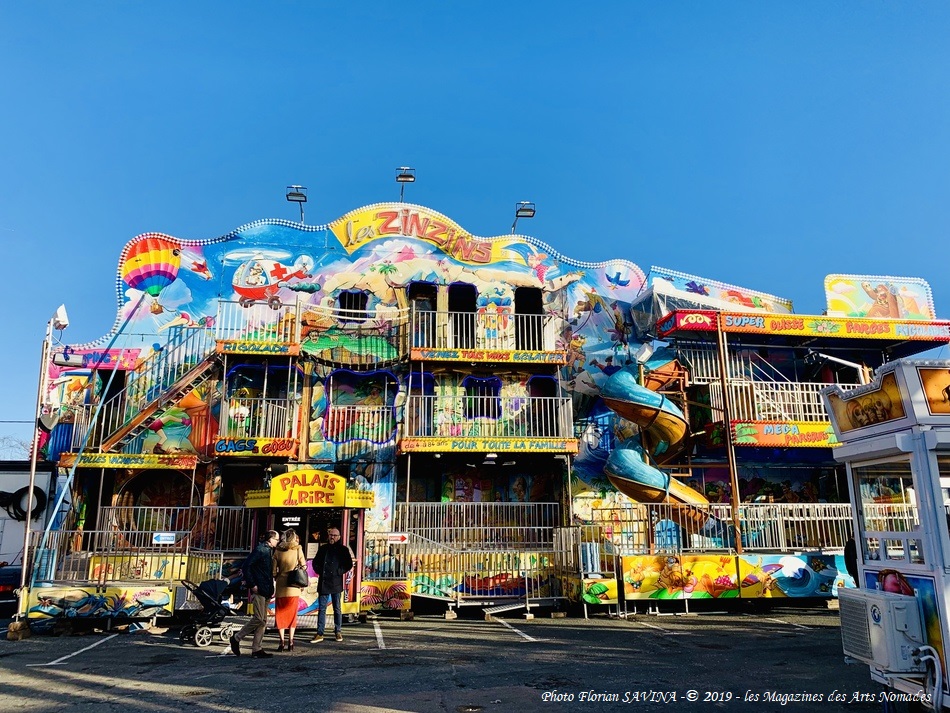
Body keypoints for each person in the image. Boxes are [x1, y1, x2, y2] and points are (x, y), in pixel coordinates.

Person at [230, 529, 278, 658]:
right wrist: (252, 584)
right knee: (259, 618)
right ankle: (237, 637)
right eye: (276, 539)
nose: (278, 542)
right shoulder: (261, 550)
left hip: (266, 589)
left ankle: (257, 649)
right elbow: (247, 566)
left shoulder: (268, 551)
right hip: (259, 589)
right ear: (270, 539)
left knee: (263, 620)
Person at [310, 527, 353, 644]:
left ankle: (338, 631)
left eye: (334, 535)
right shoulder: (323, 548)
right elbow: (315, 562)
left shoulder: (343, 549)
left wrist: (339, 572)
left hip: (336, 582)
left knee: (337, 608)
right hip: (324, 582)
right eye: (330, 535)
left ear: (339, 537)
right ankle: (320, 633)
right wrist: (320, 570)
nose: (332, 537)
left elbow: (348, 564)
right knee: (322, 609)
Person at [272, 528, 307, 652]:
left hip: (281, 587)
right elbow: (304, 565)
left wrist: (277, 576)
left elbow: (273, 571)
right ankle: (291, 642)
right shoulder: (298, 549)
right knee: (292, 616)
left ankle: (281, 642)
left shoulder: (278, 550)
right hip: (294, 587)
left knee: (280, 615)